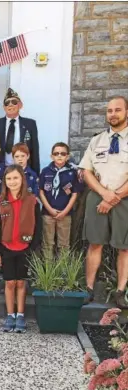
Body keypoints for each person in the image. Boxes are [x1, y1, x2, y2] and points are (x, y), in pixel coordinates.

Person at [79, 96, 128, 307]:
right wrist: (103, 193)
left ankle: (120, 291)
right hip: (98, 197)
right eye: (109, 111)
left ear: (126, 112)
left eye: (117, 110)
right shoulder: (97, 140)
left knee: (124, 247)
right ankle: (88, 288)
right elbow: (86, 171)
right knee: (94, 243)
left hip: (124, 199)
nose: (113, 114)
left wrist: (114, 196)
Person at [0, 165, 41, 333]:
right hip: (6, 248)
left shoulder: (32, 200)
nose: (13, 182)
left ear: (22, 179)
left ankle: (20, 315)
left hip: (25, 247)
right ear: (5, 181)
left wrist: (33, 247)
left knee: (21, 282)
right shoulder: (1, 202)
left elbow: (38, 226)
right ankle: (10, 315)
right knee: (9, 282)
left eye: (16, 178)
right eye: (9, 179)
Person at [39, 142, 80, 259]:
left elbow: (74, 194)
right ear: (52, 156)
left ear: (67, 156)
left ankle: (63, 270)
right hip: (48, 213)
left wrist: (65, 212)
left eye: (63, 153)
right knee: (48, 243)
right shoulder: (45, 171)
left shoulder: (72, 172)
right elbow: (41, 192)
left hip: (65, 214)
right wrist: (50, 209)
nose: (59, 156)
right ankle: (48, 271)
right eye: (56, 153)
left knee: (63, 244)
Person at [0, 88, 40, 174]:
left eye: (14, 102)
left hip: (23, 170)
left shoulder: (30, 124)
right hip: (0, 170)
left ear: (20, 105)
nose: (10, 105)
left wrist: (36, 173)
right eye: (7, 103)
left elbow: (34, 149)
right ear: (4, 107)